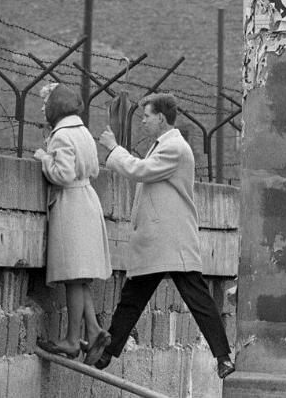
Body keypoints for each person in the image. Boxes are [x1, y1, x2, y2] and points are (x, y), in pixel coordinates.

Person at [95, 93, 235, 379]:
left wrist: (113, 150)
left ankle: (223, 356)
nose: (143, 121)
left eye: (146, 116)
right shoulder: (162, 146)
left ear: (161, 118)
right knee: (133, 298)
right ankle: (106, 353)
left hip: (171, 240)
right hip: (159, 241)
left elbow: (140, 171)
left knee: (197, 299)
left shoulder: (174, 148)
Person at [33, 83, 113, 365]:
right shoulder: (83, 133)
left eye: (45, 104)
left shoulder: (61, 136)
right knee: (80, 276)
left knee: (72, 274)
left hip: (71, 205)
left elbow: (62, 174)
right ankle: (93, 331)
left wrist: (44, 158)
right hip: (88, 199)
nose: (43, 109)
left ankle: (70, 340)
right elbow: (92, 169)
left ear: (56, 105)